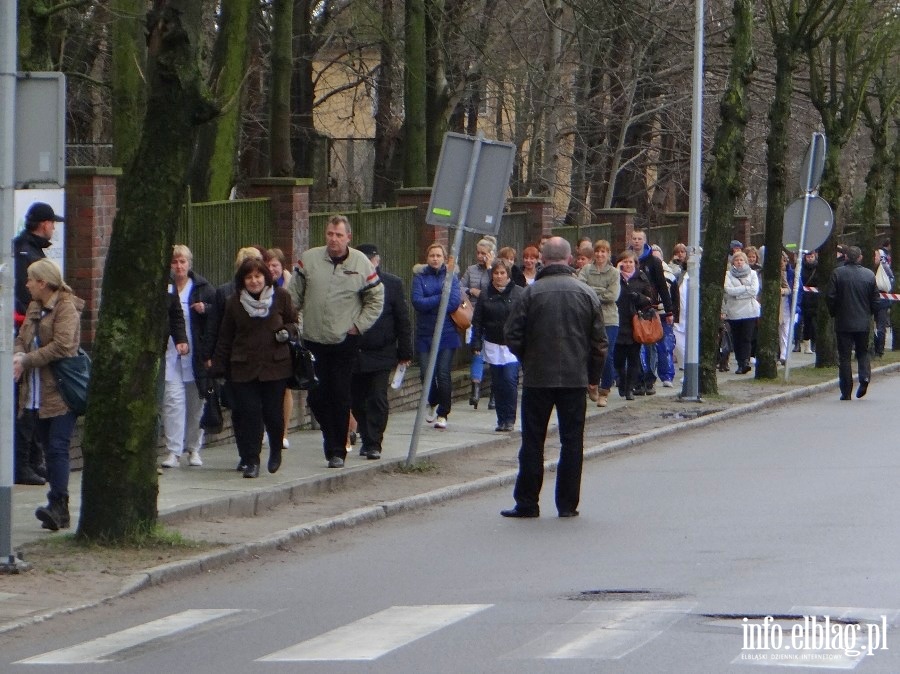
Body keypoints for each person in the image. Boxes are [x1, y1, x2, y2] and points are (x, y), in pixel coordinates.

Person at [500, 237, 607, 518]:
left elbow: (511, 335)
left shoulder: (530, 294)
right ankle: (567, 504)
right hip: (574, 378)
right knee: (572, 442)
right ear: (570, 260)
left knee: (533, 441)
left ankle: (527, 502)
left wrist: (529, 357)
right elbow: (599, 343)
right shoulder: (586, 293)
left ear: (542, 260)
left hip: (538, 378)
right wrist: (592, 377)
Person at [290, 215, 385, 468]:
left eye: (339, 235)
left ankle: (336, 450)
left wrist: (358, 325)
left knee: (341, 396)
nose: (334, 239)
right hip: (313, 340)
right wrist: (293, 324)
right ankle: (328, 434)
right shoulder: (309, 259)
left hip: (344, 341)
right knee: (317, 397)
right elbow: (293, 296)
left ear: (348, 238)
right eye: (330, 234)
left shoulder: (360, 263)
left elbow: (376, 299)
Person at [13, 259, 84, 530]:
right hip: (36, 391)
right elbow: (22, 336)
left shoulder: (66, 307)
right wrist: (19, 352)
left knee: (57, 447)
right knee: (46, 445)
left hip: (61, 389)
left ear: (43, 282)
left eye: (31, 279)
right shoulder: (34, 307)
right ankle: (58, 506)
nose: (27, 284)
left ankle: (58, 504)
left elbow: (63, 346)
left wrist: (27, 360)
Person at [211, 258, 298, 477]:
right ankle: (251, 460)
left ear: (265, 277)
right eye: (249, 277)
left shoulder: (281, 297)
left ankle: (276, 450)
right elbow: (225, 337)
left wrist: (286, 332)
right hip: (243, 367)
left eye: (258, 276)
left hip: (275, 366)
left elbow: (294, 323)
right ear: (242, 280)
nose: (254, 281)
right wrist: (218, 366)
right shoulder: (234, 303)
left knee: (272, 413)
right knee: (249, 414)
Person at [12, 203, 64, 486]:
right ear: (43, 224)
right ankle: (22, 463)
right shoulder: (27, 254)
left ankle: (32, 459)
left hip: (28, 331)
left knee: (32, 400)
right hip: (25, 334)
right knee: (26, 400)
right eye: (51, 223)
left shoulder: (27, 249)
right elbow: (25, 299)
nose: (54, 228)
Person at [351, 244, 413, 460]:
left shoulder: (392, 284)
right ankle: (365, 436)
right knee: (357, 398)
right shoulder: (350, 282)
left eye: (371, 259)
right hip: (355, 350)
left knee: (377, 396)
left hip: (382, 350)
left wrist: (405, 351)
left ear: (377, 260)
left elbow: (402, 319)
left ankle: (374, 441)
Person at [160, 245, 216, 469]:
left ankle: (193, 448)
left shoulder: (202, 287)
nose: (179, 266)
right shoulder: (166, 288)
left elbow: (216, 313)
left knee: (195, 403)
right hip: (171, 354)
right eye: (175, 262)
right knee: (172, 402)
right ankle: (173, 451)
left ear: (189, 264)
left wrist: (206, 309)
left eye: (182, 262)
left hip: (196, 353)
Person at [411, 242, 462, 430]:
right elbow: (418, 302)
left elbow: (454, 302)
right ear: (427, 258)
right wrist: (440, 297)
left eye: (438, 256)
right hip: (425, 333)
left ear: (444, 258)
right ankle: (432, 401)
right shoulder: (419, 277)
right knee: (425, 373)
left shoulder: (451, 277)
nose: (435, 259)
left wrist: (433, 302)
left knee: (442, 372)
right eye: (432, 255)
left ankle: (443, 413)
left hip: (447, 332)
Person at [470, 257, 524, 431]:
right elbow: (477, 321)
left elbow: (526, 319)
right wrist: (476, 342)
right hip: (492, 344)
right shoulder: (486, 294)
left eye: (502, 273)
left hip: (512, 345)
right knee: (498, 383)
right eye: (496, 273)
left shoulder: (519, 293)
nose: (499, 276)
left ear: (508, 275)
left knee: (509, 380)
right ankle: (501, 419)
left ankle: (510, 418)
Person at [825, 246, 879, 400]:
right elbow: (876, 299)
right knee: (862, 352)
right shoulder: (869, 275)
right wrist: (870, 313)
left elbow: (830, 296)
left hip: (843, 321)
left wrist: (834, 312)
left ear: (846, 257)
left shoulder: (837, 273)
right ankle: (864, 378)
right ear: (860, 257)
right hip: (862, 321)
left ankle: (846, 391)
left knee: (844, 357)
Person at [630, 229, 673, 395]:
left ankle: (650, 379)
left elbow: (662, 286)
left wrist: (669, 311)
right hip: (631, 309)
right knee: (635, 347)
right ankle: (638, 379)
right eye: (634, 238)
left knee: (650, 345)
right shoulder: (626, 260)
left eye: (639, 238)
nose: (636, 241)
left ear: (644, 241)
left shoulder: (653, 262)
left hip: (649, 309)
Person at [579, 239, 620, 407]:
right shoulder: (586, 270)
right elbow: (580, 289)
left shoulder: (614, 273)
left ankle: (605, 390)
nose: (600, 254)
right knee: (589, 353)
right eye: (597, 251)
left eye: (604, 251)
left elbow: (612, 296)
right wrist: (599, 292)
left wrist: (592, 292)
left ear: (608, 254)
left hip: (609, 319)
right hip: (589, 317)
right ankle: (592, 384)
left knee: (607, 355)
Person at [461, 235, 496, 409]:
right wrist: (471, 290)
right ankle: (475, 391)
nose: (480, 256)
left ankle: (493, 394)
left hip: (494, 317)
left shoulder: (497, 270)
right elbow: (460, 287)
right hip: (475, 315)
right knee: (477, 351)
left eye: (484, 253)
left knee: (493, 355)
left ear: (491, 254)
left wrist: (490, 268)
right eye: (478, 252)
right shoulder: (471, 270)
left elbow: (497, 288)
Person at [614, 250, 655, 400]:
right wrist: (616, 272)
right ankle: (622, 380)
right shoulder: (615, 277)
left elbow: (650, 298)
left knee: (633, 357)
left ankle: (630, 388)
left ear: (635, 263)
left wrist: (639, 297)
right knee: (618, 358)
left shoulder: (641, 277)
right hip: (618, 321)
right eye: (624, 261)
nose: (627, 264)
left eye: (630, 262)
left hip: (635, 322)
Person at [267, 247, 294, 447]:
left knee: (284, 389)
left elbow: (294, 318)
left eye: (275, 265)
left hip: (284, 345)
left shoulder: (288, 289)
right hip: (262, 348)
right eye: (267, 265)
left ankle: (283, 432)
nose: (271, 269)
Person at [723, 251, 760, 375]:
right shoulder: (728, 274)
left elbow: (754, 290)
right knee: (737, 338)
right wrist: (745, 289)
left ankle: (745, 362)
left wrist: (739, 293)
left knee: (747, 338)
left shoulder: (753, 273)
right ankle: (739, 362)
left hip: (749, 311)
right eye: (736, 260)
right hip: (734, 311)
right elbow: (728, 290)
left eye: (741, 260)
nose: (739, 262)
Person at [872, 247, 893, 357]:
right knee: (869, 326)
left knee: (880, 328)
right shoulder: (867, 267)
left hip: (882, 303)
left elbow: (889, 284)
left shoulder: (884, 268)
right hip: (870, 302)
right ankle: (875, 346)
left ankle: (879, 350)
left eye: (875, 256)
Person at [799, 250, 820, 354]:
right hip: (805, 299)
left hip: (816, 298)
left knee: (816, 323)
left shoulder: (818, 267)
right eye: (808, 257)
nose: (810, 258)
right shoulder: (801, 268)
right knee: (807, 323)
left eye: (811, 256)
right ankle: (807, 345)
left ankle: (815, 344)